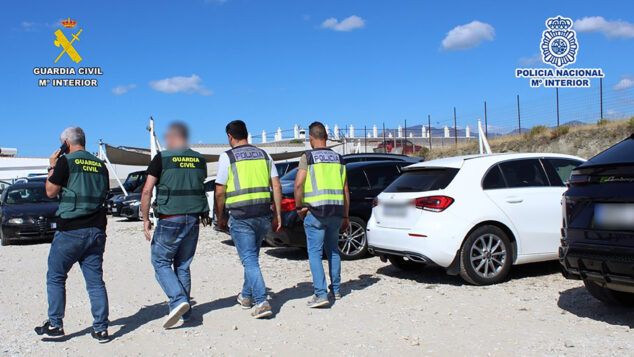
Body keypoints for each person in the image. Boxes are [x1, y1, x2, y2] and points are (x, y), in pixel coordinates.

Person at [35, 126, 111, 342]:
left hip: (71, 230)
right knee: (95, 282)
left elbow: (50, 192)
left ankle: (55, 325)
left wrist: (52, 166)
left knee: (56, 277)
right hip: (96, 229)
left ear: (66, 144)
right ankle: (101, 329)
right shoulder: (100, 165)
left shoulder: (65, 162)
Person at [141, 122, 209, 328]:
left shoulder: (162, 158)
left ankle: (179, 300)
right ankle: (186, 314)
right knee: (183, 265)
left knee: (160, 262)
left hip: (170, 217)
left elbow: (146, 190)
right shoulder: (199, 159)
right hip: (193, 218)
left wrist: (145, 219)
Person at [215, 120, 282, 319]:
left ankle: (261, 301)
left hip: (241, 215)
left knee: (250, 260)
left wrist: (220, 217)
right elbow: (276, 186)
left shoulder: (228, 157)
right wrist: (278, 214)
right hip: (263, 214)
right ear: (247, 134)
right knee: (251, 257)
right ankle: (246, 296)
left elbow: (220, 191)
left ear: (229, 136)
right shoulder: (264, 154)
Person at [293, 122, 349, 308]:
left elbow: (299, 184)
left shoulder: (307, 157)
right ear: (326, 136)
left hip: (315, 211)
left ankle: (320, 294)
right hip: (336, 212)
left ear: (311, 138)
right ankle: (337, 290)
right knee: (333, 250)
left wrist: (299, 207)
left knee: (315, 253)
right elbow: (345, 190)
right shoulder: (339, 158)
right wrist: (346, 216)